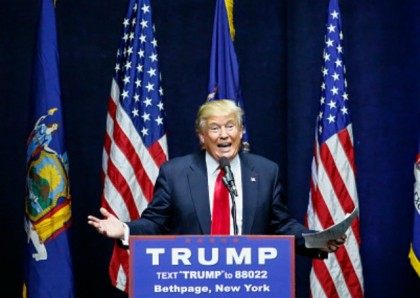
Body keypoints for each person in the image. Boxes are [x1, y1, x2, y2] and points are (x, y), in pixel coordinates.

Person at [88, 99, 345, 257]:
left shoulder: (266, 172)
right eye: (214, 128)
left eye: (230, 126)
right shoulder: (175, 173)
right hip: (193, 288)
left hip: (252, 286)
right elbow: (156, 223)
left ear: (241, 131)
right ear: (202, 136)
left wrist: (315, 241)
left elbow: (282, 225)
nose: (224, 135)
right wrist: (125, 229)